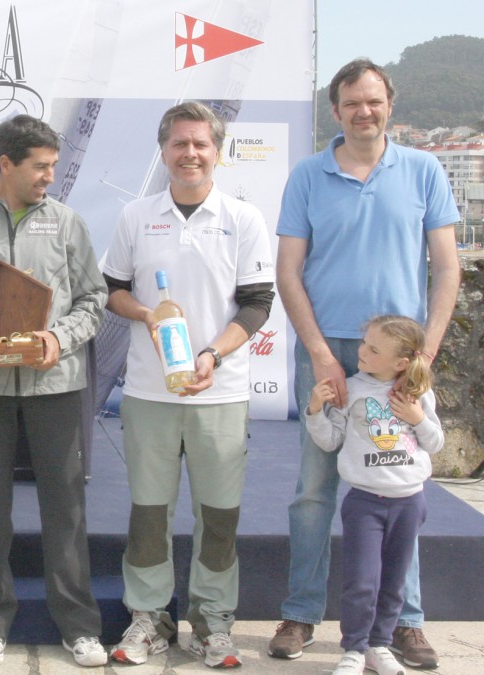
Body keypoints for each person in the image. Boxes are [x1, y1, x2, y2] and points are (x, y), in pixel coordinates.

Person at [270, 58, 461, 671]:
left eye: (374, 101)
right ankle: (301, 612)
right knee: (314, 489)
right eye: (352, 102)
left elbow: (447, 268)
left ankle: (404, 622)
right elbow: (289, 273)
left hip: (401, 357)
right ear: (336, 109)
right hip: (329, 352)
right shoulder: (307, 174)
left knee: (403, 483)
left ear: (390, 106)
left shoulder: (425, 169)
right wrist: (323, 354)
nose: (364, 111)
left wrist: (424, 354)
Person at [101, 101, 275, 669]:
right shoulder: (136, 217)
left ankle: (211, 623)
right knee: (149, 511)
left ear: (217, 153)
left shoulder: (242, 219)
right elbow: (113, 289)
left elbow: (256, 304)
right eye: (180, 143)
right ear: (164, 151)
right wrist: (148, 315)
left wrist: (211, 354)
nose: (190, 153)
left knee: (218, 513)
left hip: (219, 392)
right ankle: (149, 618)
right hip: (151, 393)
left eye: (201, 144)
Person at [0, 114, 109, 668]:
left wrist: (60, 338)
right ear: (6, 164)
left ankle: (79, 626)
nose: (49, 177)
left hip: (55, 385)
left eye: (54, 166)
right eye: (40, 166)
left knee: (66, 506)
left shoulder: (66, 223)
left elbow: (94, 299)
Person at [303, 315, 443, 675]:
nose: (361, 351)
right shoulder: (352, 389)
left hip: (410, 502)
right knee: (362, 581)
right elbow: (330, 440)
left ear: (401, 362)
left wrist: (416, 417)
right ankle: (354, 648)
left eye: (373, 348)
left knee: (394, 581)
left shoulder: (419, 393)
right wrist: (315, 411)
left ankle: (379, 646)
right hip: (364, 503)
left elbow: (436, 443)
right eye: (364, 343)